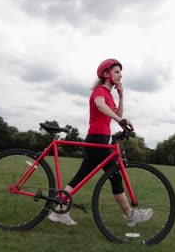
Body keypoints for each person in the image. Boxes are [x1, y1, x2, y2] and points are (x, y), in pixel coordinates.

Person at [48, 58, 153, 226]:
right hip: (97, 139)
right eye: (117, 72)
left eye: (121, 72)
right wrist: (121, 119)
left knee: (80, 178)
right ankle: (130, 214)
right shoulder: (100, 91)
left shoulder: (109, 95)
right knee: (115, 175)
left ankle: (59, 211)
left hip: (100, 139)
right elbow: (100, 106)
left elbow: (117, 117)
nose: (120, 76)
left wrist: (121, 97)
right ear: (106, 74)